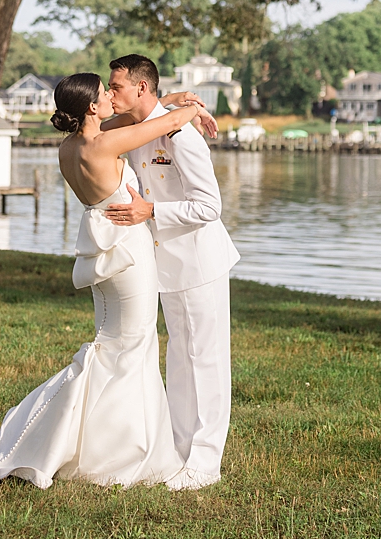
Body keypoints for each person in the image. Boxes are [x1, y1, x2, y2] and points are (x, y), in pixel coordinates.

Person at [0, 73, 213, 489]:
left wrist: (173, 98)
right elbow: (159, 125)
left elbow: (125, 123)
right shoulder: (103, 144)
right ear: (91, 107)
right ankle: (122, 454)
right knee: (133, 348)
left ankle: (80, 438)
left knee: (111, 344)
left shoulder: (70, 147)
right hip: (128, 253)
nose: (112, 97)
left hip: (104, 256)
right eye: (104, 94)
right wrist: (191, 109)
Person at [102, 53, 241, 490]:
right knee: (179, 361)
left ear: (141, 88)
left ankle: (205, 463)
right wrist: (179, 100)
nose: (110, 94)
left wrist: (151, 210)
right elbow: (97, 129)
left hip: (201, 263)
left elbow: (209, 206)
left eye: (117, 87)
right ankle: (181, 452)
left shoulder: (181, 135)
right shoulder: (141, 129)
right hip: (167, 266)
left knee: (206, 360)